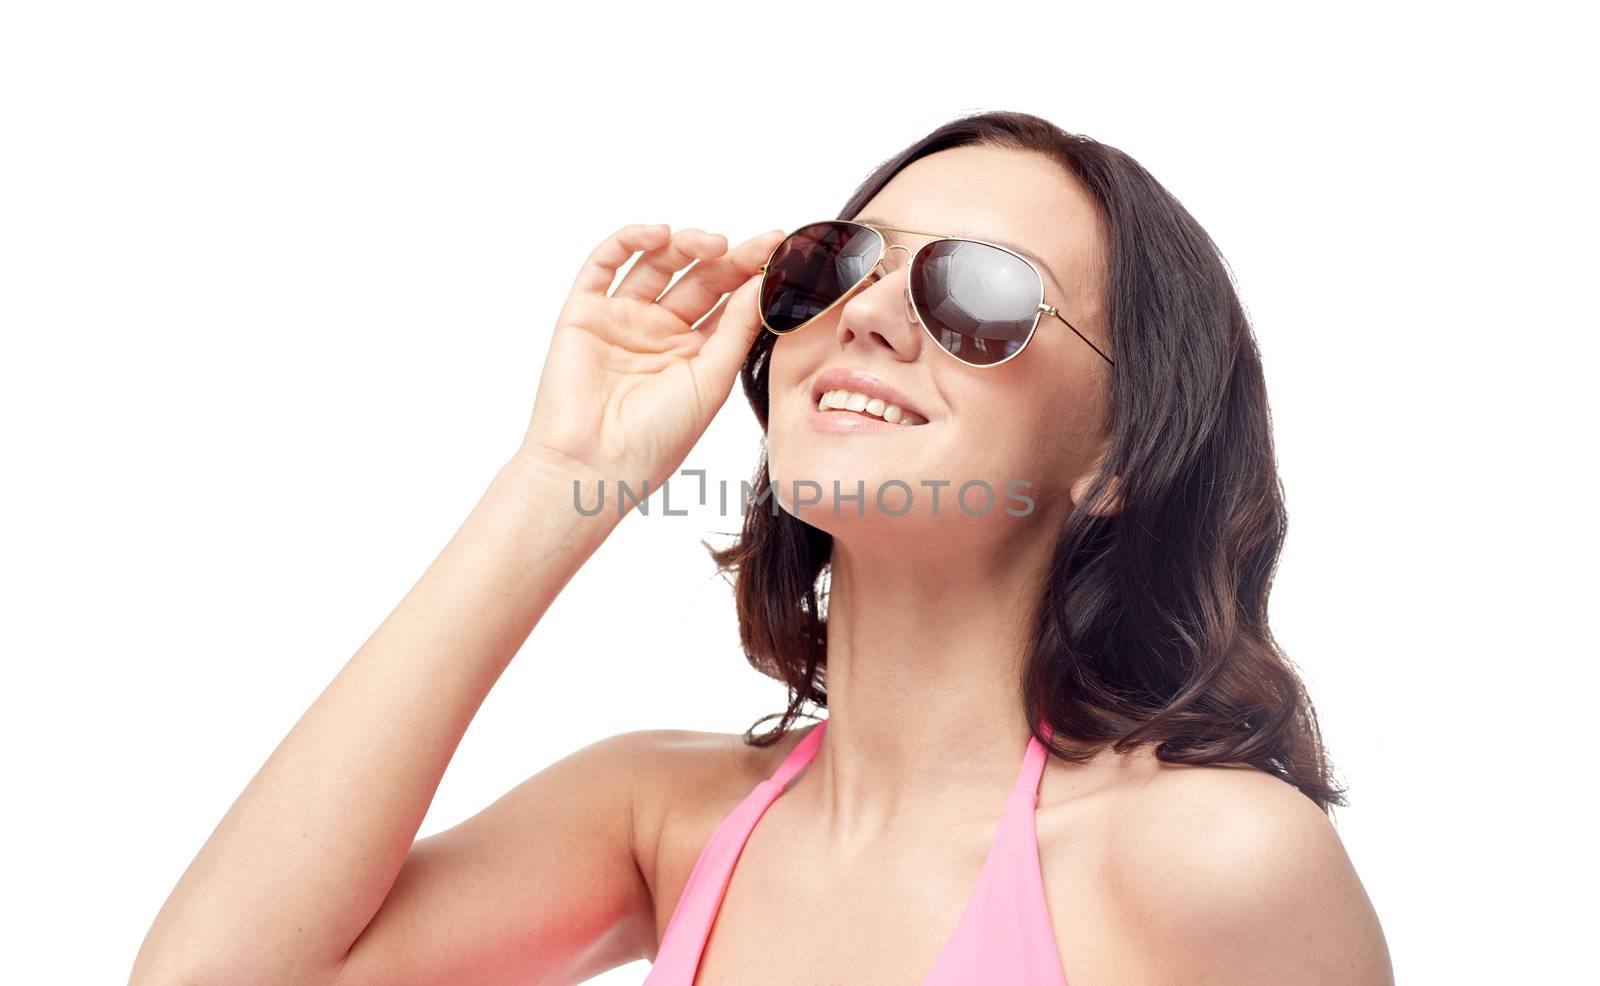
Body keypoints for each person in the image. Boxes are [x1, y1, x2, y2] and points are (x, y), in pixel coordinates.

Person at [130, 110, 1394, 986]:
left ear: (1116, 456)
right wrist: (564, 478)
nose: (871, 318)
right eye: (832, 265)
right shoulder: (660, 817)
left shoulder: (1211, 858)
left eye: (981, 295)